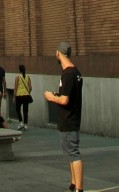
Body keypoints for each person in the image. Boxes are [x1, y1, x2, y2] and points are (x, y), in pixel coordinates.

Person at [44, 41, 84, 192]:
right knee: (70, 154)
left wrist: (51, 97)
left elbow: (65, 99)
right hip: (71, 118)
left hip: (69, 119)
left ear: (58, 53)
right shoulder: (76, 72)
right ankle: (73, 184)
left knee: (73, 153)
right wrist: (57, 95)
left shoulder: (67, 74)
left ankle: (79, 188)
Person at [14, 63, 32, 130]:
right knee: (25, 110)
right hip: (26, 95)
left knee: (17, 109)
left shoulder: (17, 77)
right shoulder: (28, 77)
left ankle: (20, 122)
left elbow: (15, 88)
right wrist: (28, 92)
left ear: (19, 70)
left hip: (19, 95)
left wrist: (14, 97)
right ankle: (25, 125)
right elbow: (30, 87)